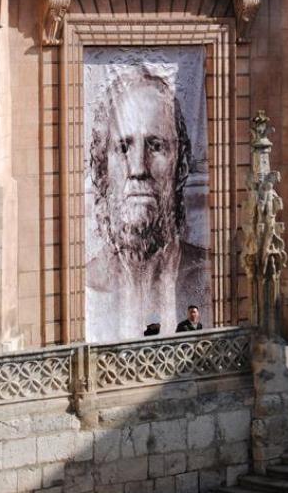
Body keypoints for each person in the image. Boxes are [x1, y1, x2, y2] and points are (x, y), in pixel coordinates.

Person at [85, 70, 209, 342]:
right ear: (101, 169)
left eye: (155, 146)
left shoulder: (205, 273)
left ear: (182, 163)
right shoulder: (86, 284)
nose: (138, 168)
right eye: (123, 147)